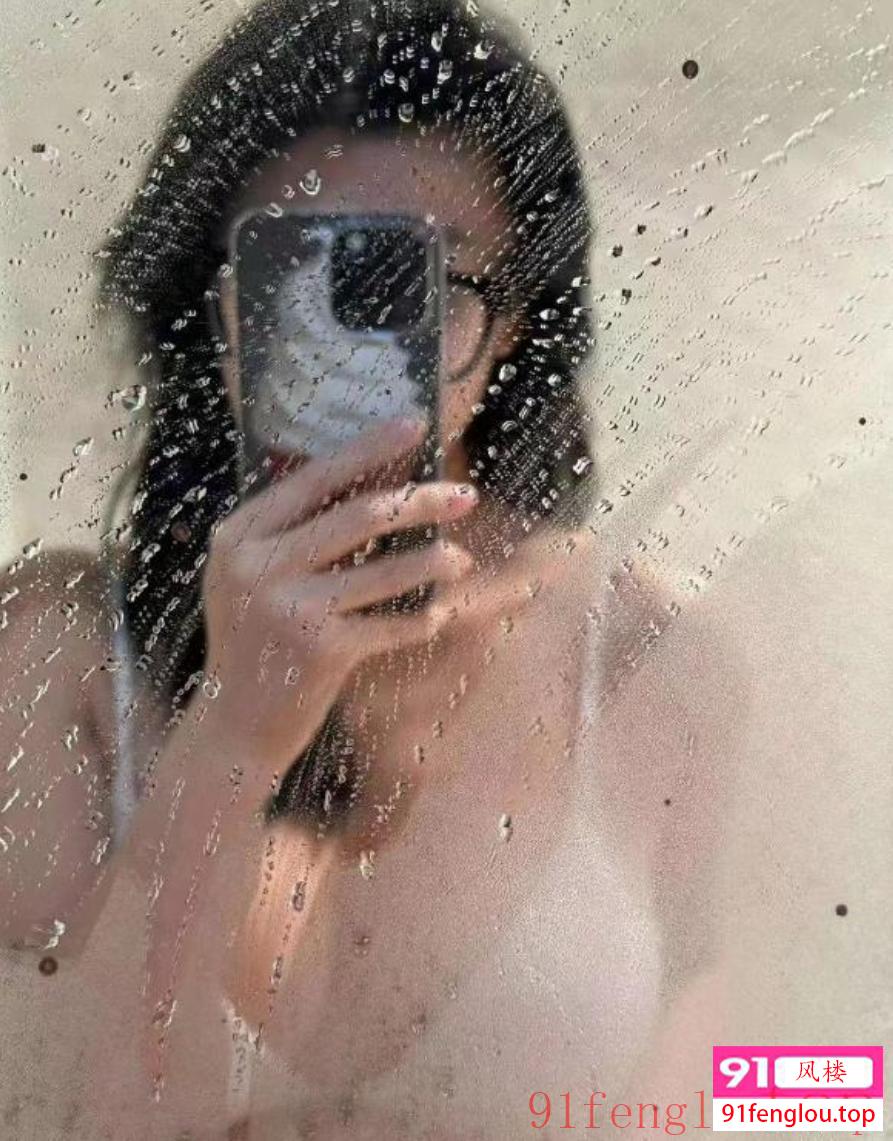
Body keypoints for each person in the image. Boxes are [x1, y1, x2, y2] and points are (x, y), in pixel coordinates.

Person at [0, 1, 734, 1137]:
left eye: (421, 289)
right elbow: (68, 1112)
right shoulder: (58, 657)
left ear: (513, 328)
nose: (356, 343)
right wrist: (231, 735)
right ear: (219, 314)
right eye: (299, 279)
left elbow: (755, 1086)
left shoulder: (646, 656)